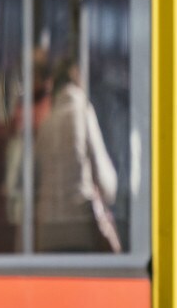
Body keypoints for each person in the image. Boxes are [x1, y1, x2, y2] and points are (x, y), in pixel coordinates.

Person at [32, 56, 122, 254]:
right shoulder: (83, 112)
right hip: (80, 227)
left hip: (47, 233)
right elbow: (104, 178)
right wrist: (111, 193)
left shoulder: (46, 123)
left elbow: (34, 179)